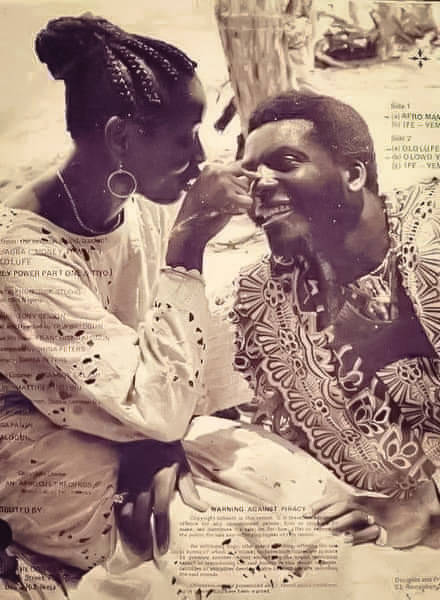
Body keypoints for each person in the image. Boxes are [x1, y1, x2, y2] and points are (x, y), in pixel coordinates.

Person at [0, 13, 253, 579]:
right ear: (120, 138)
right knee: (194, 533)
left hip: (131, 420)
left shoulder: (137, 207)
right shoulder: (17, 254)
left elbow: (177, 366)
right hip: (44, 453)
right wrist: (188, 245)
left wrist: (165, 436)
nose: (200, 156)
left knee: (249, 476)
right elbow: (159, 408)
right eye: (185, 137)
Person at [234, 89, 440, 548]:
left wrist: (427, 502)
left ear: (353, 173)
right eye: (249, 172)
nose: (259, 183)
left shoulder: (431, 232)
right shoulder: (259, 297)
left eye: (284, 162)